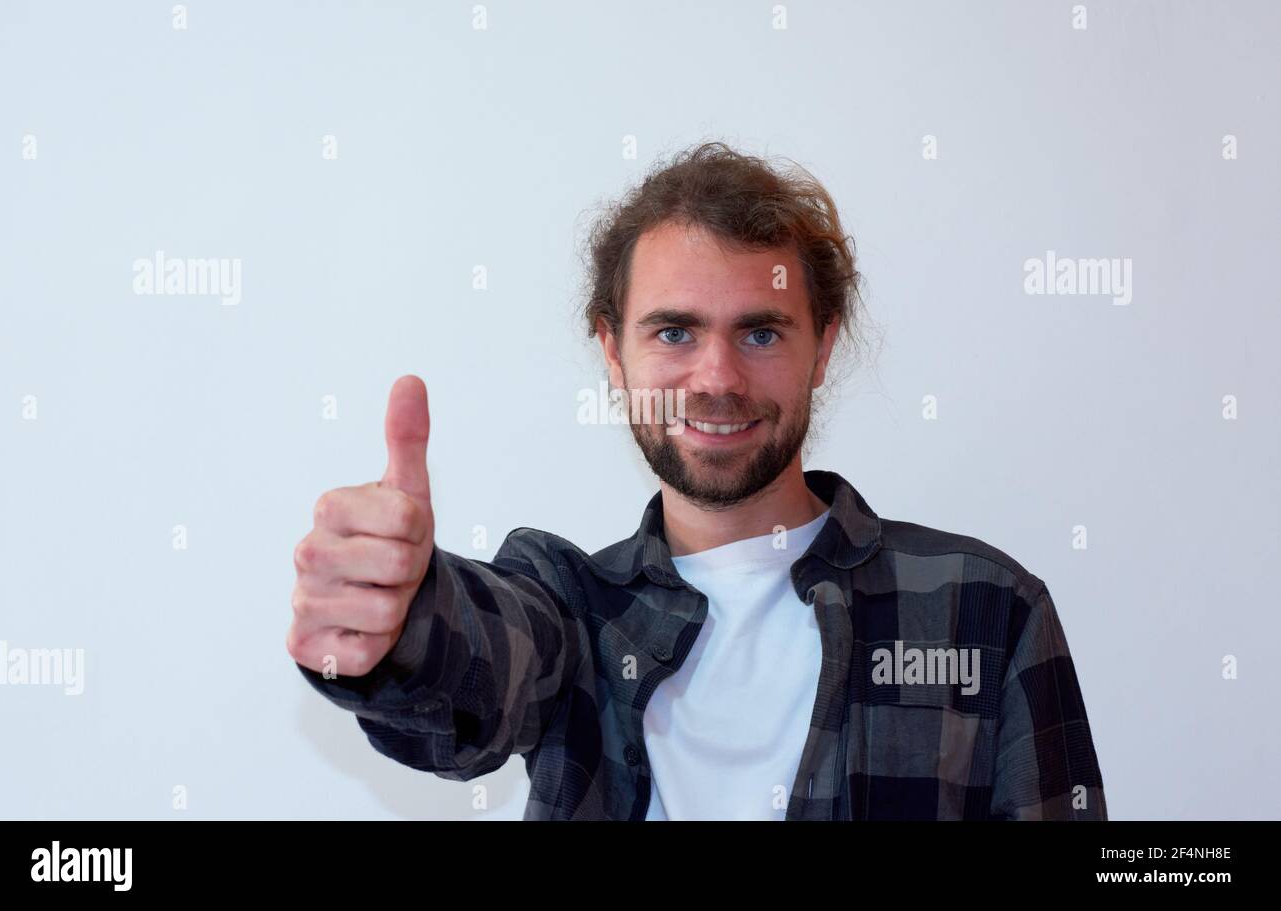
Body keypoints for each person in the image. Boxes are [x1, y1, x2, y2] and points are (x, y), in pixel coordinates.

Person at [287, 141, 1107, 821]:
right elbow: (478, 662)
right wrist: (402, 625)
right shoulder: (571, 610)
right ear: (613, 352)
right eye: (674, 331)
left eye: (759, 332)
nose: (715, 377)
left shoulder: (987, 608)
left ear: (822, 348)